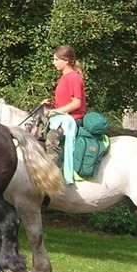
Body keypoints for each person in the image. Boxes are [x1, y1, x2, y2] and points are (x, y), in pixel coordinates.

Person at [44, 44, 86, 184]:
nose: (53, 62)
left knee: (52, 136)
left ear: (66, 60)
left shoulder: (74, 78)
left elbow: (76, 103)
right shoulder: (63, 77)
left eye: (56, 59)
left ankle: (51, 177)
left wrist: (56, 111)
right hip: (62, 117)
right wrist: (51, 105)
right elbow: (64, 102)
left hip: (73, 120)